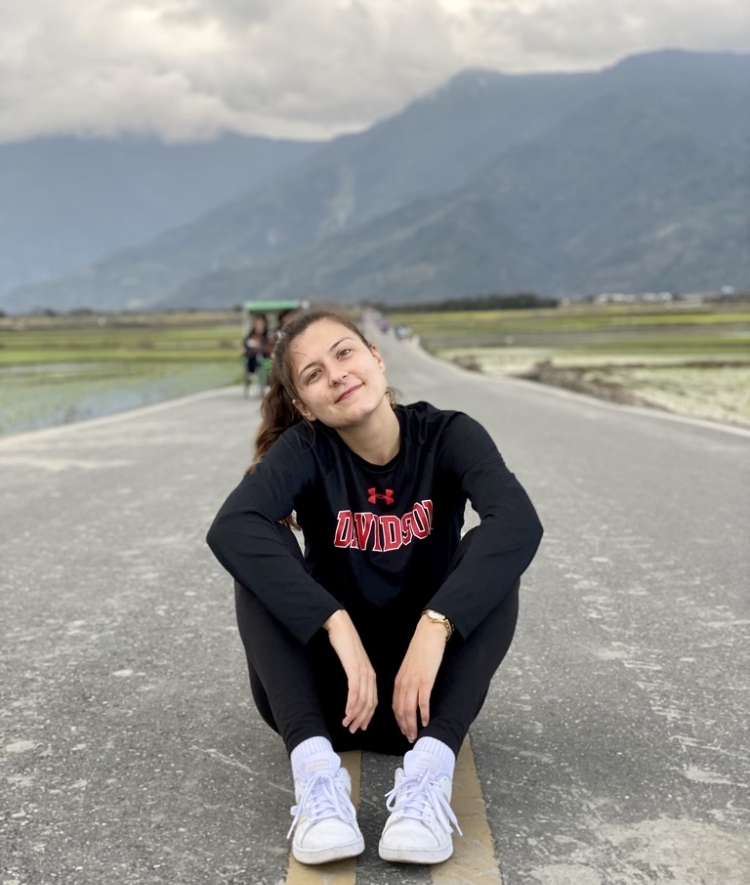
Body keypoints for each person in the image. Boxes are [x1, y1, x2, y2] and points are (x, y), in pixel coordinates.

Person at [207, 310, 543, 866]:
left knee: (491, 556)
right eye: (313, 375)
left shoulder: (447, 435)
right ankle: (317, 779)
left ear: (376, 358)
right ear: (302, 405)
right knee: (261, 555)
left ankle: (429, 778)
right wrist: (333, 621)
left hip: (425, 700)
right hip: (327, 701)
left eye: (344, 354)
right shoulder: (307, 449)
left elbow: (518, 523)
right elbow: (231, 528)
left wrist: (437, 626)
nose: (336, 375)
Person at [242, 313, 270, 397]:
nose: (259, 325)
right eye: (257, 323)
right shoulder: (251, 334)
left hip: (265, 356)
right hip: (253, 355)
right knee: (252, 357)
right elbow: (245, 344)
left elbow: (269, 344)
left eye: (261, 323)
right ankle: (251, 373)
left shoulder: (267, 334)